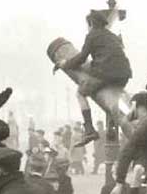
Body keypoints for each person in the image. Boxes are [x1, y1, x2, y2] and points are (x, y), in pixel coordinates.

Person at [52, 11, 133, 146]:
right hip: (123, 74)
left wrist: (65, 64)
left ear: (91, 24)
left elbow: (81, 58)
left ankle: (89, 129)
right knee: (114, 98)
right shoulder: (111, 36)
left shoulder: (92, 36)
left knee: (80, 93)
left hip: (105, 72)